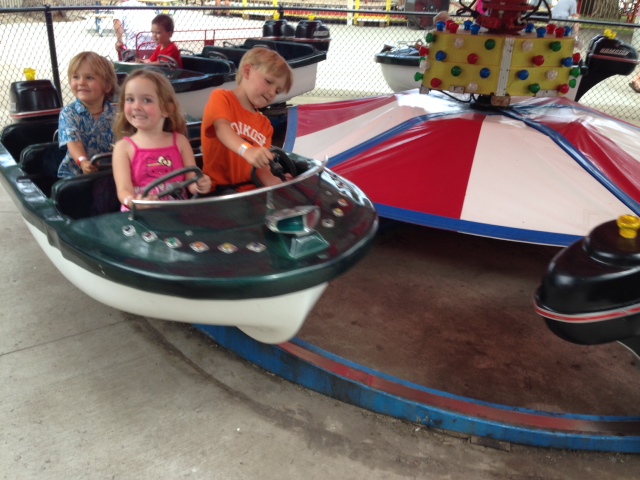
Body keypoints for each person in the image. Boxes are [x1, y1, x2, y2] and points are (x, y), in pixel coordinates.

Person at [112, 69, 211, 210]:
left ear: (167, 109)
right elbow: (123, 190)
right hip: (139, 214)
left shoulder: (180, 142)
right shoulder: (123, 148)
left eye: (146, 100)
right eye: (130, 99)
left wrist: (200, 185)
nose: (136, 106)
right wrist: (133, 202)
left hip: (176, 212)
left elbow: (191, 180)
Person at [200, 47, 293, 194]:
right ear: (247, 71)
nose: (271, 93)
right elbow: (222, 129)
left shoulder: (265, 125)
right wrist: (247, 150)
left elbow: (261, 169)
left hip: (250, 190)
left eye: (277, 91)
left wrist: (277, 182)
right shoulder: (222, 98)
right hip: (220, 191)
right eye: (268, 81)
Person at [57, 51, 118, 178]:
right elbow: (74, 143)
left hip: (110, 172)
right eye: (76, 77)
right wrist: (83, 162)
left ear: (107, 86)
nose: (81, 82)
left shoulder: (116, 114)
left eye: (89, 78)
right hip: (76, 175)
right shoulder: (69, 113)